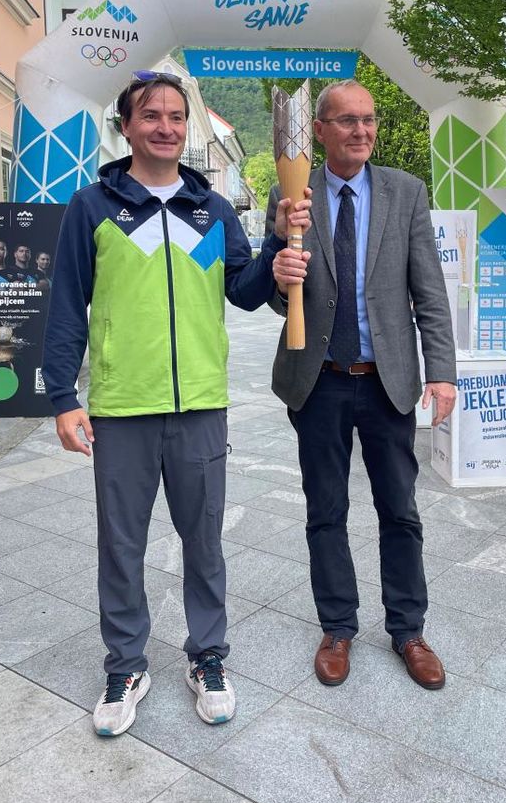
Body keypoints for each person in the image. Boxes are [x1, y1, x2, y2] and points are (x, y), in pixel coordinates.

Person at [41, 71, 310, 737]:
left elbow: (245, 291)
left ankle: (207, 656)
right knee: (121, 545)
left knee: (204, 541)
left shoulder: (211, 210)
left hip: (200, 404)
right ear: (127, 127)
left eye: (175, 116)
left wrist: (276, 249)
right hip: (121, 406)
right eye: (151, 115)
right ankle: (126, 665)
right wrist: (63, 397)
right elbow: (66, 303)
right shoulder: (93, 207)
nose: (165, 126)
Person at [267, 79, 456, 691]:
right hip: (317, 381)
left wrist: (442, 372)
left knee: (399, 510)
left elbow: (429, 292)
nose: (362, 130)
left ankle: (408, 630)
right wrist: (280, 272)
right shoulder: (292, 191)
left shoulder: (406, 192)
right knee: (326, 510)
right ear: (320, 130)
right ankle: (337, 627)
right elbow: (277, 297)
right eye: (347, 120)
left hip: (386, 383)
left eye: (369, 119)